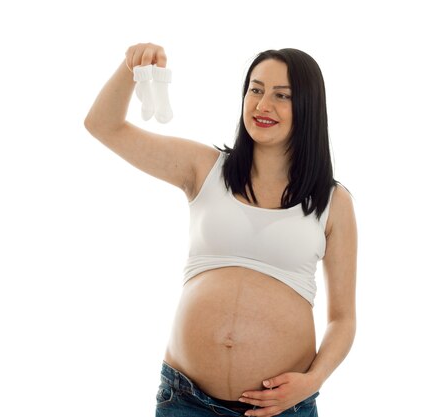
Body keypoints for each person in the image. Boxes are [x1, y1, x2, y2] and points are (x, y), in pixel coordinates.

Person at [84, 42, 357, 417]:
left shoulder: (333, 201)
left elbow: (343, 319)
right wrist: (132, 68)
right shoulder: (204, 168)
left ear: (308, 107)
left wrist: (314, 381)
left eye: (282, 96)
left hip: (280, 408)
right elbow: (103, 125)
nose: (262, 105)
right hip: (185, 400)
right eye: (256, 89)